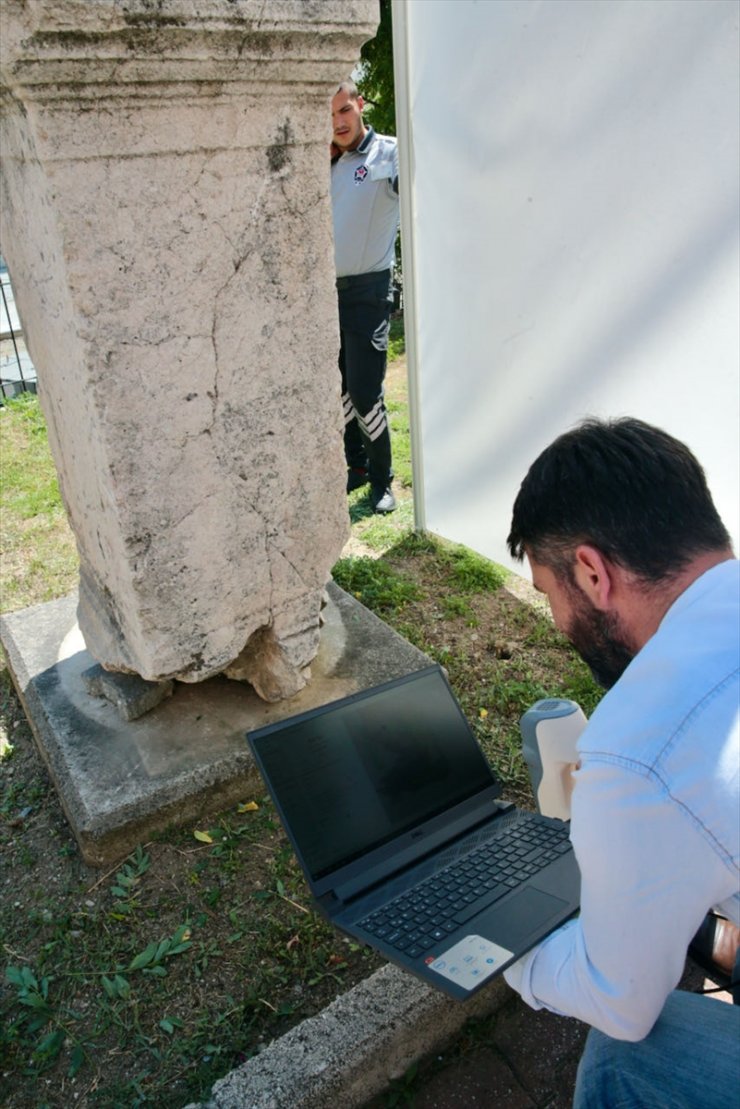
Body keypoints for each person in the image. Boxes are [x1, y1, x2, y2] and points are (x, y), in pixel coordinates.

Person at [504, 417, 739, 1107]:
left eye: (549, 595)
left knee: (622, 1056)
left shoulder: (637, 748)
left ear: (591, 571)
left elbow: (620, 1001)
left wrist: (506, 950)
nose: (555, 621)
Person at [330, 80, 400, 514]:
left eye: (344, 111)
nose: (337, 122)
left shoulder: (389, 154)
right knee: (337, 388)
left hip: (369, 293)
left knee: (364, 391)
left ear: (360, 105)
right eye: (329, 115)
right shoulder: (325, 160)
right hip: (324, 295)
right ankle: (354, 468)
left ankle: (381, 481)